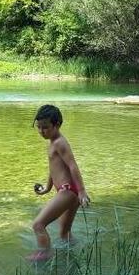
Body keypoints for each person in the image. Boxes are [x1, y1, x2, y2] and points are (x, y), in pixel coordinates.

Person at [28, 104, 90, 261]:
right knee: (64, 233)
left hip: (68, 191)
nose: (42, 131)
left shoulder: (60, 143)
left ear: (57, 125)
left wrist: (82, 191)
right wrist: (47, 188)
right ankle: (76, 256)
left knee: (38, 225)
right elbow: (54, 169)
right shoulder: (53, 143)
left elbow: (72, 165)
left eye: (46, 127)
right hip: (70, 192)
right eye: (39, 127)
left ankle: (44, 254)